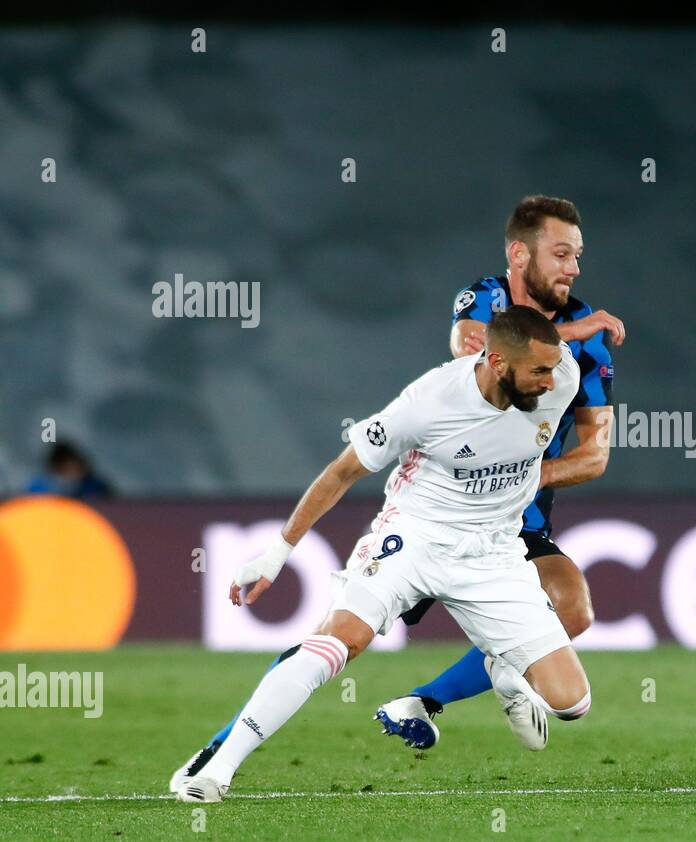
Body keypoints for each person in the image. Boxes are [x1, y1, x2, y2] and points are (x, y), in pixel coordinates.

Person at [177, 196, 622, 776]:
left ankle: (445, 691)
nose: (573, 268)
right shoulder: (480, 317)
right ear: (520, 252)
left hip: (506, 527)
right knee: (341, 638)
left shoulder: (573, 361)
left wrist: (512, 472)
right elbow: (474, 347)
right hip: (422, 523)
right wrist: (279, 551)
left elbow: (595, 453)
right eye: (561, 253)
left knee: (573, 620)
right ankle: (219, 753)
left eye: (578, 256)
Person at [26, 441, 113, 499]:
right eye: (62, 469)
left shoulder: (96, 487)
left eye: (70, 467)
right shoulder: (39, 487)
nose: (68, 472)